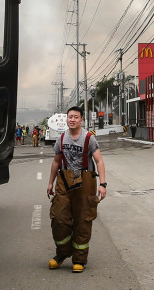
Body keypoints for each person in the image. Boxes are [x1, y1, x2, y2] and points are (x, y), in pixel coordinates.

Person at [46, 106, 106, 273]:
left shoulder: (89, 138)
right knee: (58, 217)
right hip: (64, 179)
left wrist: (103, 184)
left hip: (85, 179)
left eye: (75, 117)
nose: (72, 119)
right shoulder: (62, 138)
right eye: (69, 117)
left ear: (81, 120)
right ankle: (63, 253)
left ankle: (79, 259)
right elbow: (56, 161)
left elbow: (99, 161)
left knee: (82, 219)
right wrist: (50, 183)